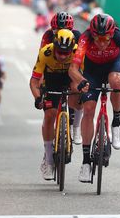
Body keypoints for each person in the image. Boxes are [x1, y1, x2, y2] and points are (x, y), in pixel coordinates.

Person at [68, 13, 120, 182]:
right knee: (88, 109)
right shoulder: (85, 38)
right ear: (92, 34)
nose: (101, 43)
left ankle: (116, 123)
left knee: (116, 82)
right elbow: (73, 68)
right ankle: (86, 162)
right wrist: (81, 81)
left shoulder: (118, 36)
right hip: (92, 71)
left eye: (105, 39)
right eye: (97, 39)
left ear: (111, 34)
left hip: (113, 66)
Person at [30, 29, 81, 180]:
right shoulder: (45, 52)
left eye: (67, 53)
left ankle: (72, 124)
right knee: (50, 114)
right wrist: (37, 97)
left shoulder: (78, 52)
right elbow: (34, 81)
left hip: (69, 78)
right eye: (60, 52)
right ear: (54, 46)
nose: (63, 56)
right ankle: (48, 158)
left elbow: (82, 77)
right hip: (51, 81)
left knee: (77, 90)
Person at [39, 11, 83, 145]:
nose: (60, 33)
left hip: (70, 70)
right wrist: (41, 86)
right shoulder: (47, 36)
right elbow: (42, 61)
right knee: (49, 115)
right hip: (52, 72)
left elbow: (81, 64)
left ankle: (75, 126)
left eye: (65, 30)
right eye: (56, 30)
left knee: (78, 90)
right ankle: (48, 155)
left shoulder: (77, 36)